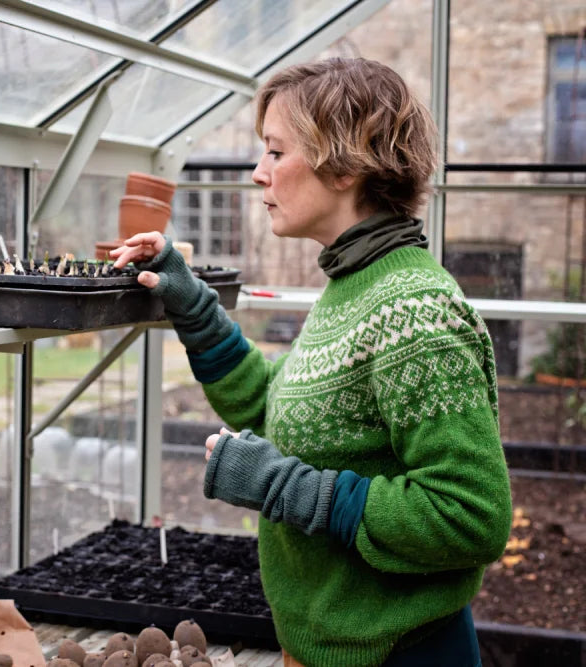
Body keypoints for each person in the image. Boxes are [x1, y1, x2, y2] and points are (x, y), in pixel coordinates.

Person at [111, 58, 511, 667]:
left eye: (275, 152)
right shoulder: (355, 285)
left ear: (346, 164)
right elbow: (275, 408)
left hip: (400, 654)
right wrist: (191, 302)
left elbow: (470, 516)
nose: (257, 174)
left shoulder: (413, 309)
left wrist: (283, 486)